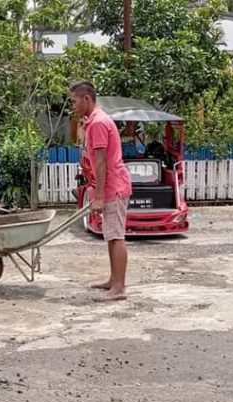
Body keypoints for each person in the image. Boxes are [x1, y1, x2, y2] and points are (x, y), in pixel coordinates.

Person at [70, 81, 132, 302]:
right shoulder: (96, 120)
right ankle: (113, 281)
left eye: (74, 101)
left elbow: (102, 161)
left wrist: (98, 196)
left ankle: (119, 288)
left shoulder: (97, 123)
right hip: (112, 185)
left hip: (113, 186)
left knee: (116, 236)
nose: (73, 106)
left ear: (87, 99)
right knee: (110, 235)